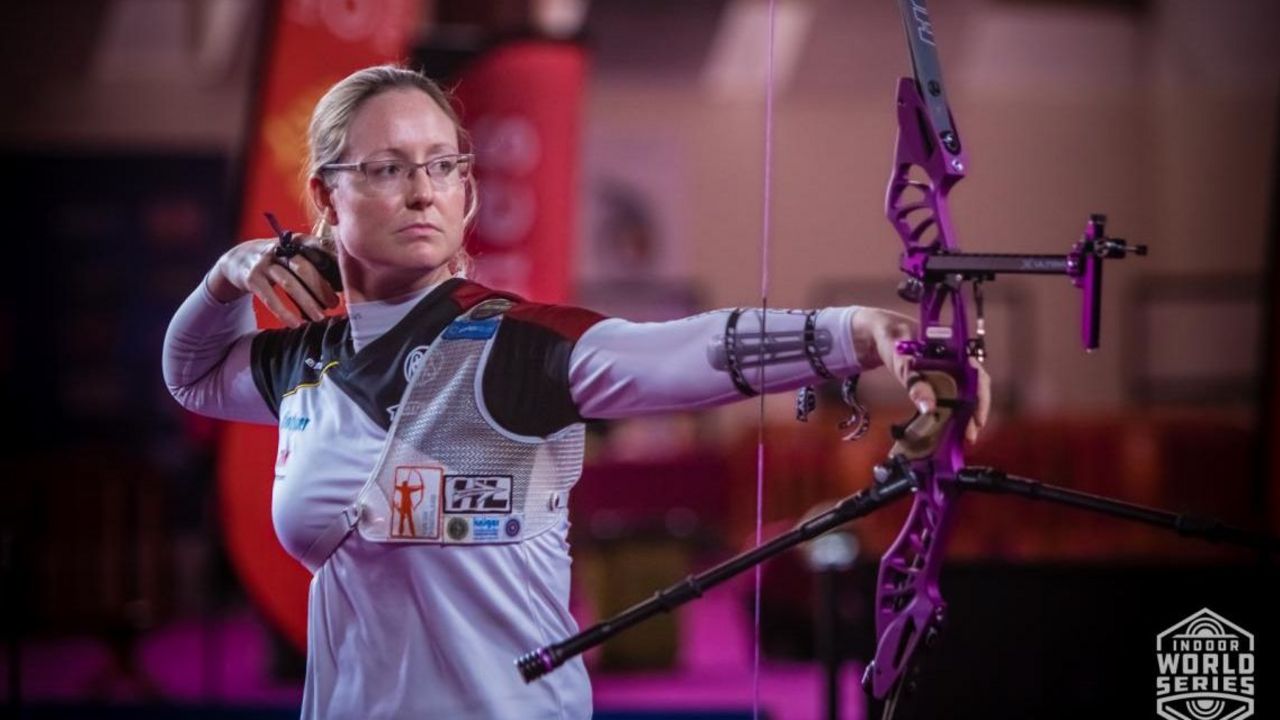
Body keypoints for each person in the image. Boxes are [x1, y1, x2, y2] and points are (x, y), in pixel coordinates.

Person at [163, 64, 989, 719]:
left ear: (467, 191)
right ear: (325, 196)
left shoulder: (516, 345)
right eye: (386, 168)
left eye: (443, 165)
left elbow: (674, 352)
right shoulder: (305, 364)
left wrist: (857, 332)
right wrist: (226, 277)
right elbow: (191, 374)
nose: (422, 190)